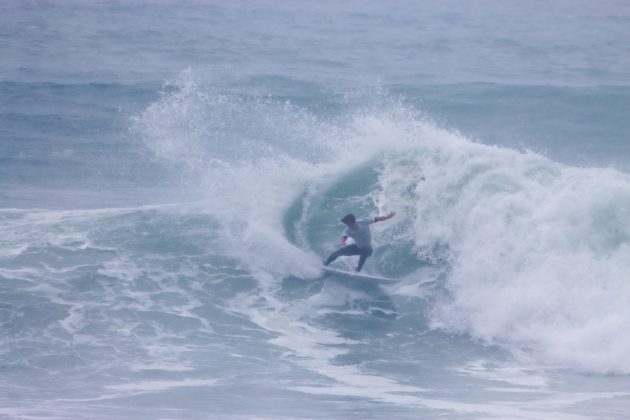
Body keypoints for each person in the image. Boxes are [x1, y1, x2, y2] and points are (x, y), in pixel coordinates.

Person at [324, 211, 396, 272]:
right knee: (337, 253)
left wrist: (387, 217)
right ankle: (325, 264)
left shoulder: (363, 222)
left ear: (352, 222)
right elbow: (344, 237)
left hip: (368, 250)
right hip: (356, 248)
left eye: (348, 223)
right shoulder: (348, 230)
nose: (347, 225)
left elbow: (376, 219)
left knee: (364, 250)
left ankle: (358, 270)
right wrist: (342, 242)